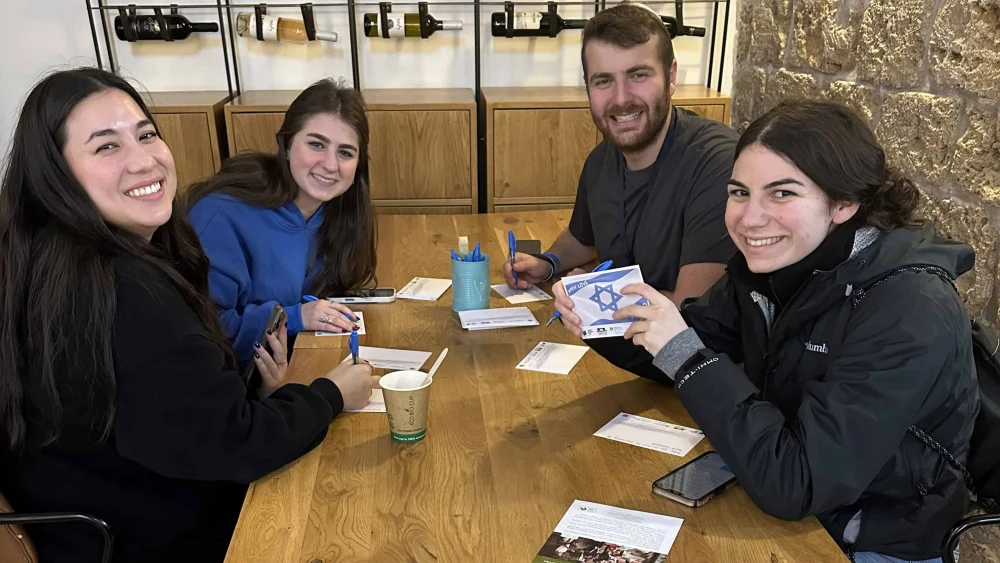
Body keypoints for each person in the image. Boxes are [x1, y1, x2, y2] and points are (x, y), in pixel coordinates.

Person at [561, 100, 979, 562]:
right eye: (739, 192)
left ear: (844, 202)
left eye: (782, 194)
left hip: (875, 537)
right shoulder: (770, 266)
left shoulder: (910, 308)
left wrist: (683, 352)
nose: (749, 218)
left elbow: (796, 482)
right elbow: (686, 349)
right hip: (777, 490)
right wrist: (599, 318)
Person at [0, 68, 378, 563]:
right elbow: (235, 445)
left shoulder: (49, 260)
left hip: (93, 519)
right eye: (106, 146)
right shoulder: (128, 290)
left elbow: (172, 409)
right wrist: (330, 395)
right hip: (154, 536)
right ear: (56, 173)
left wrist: (251, 394)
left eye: (146, 134)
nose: (142, 160)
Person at [502, 3, 738, 381]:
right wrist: (548, 263)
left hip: (694, 378)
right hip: (626, 362)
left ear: (671, 75)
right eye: (603, 81)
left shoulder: (717, 164)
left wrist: (587, 293)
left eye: (639, 75)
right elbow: (584, 238)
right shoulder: (602, 160)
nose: (621, 98)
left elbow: (688, 316)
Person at [186, 78, 377, 369]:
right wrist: (294, 317)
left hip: (291, 364)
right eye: (316, 144)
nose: (330, 164)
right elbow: (204, 331)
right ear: (287, 145)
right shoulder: (222, 214)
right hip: (228, 388)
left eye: (345, 153)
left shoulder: (338, 213)